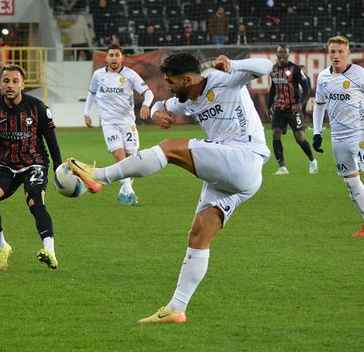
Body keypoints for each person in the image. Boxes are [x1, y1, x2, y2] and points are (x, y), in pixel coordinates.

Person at [69, 52, 273, 323]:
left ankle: (99, 176)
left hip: (246, 156)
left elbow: (266, 66)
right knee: (198, 236)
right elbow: (160, 106)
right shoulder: (184, 98)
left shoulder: (225, 79)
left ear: (188, 79)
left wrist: (234, 64)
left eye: (171, 82)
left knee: (169, 148)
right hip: (233, 175)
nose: (168, 87)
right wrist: (156, 115)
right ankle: (177, 308)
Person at [0, 64, 64, 271]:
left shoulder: (37, 107)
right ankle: (2, 247)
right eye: (6, 81)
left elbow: (51, 140)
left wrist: (58, 169)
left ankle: (50, 251)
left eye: (15, 81)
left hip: (34, 162)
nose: (10, 85)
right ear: (0, 84)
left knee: (35, 201)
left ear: (23, 84)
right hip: (7, 165)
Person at [312, 35, 364, 240]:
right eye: (332, 52)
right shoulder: (323, 77)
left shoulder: (360, 75)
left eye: (340, 52)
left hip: (361, 134)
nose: (336, 55)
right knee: (351, 183)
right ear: (328, 53)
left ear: (348, 53)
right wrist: (316, 132)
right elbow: (319, 106)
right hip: (338, 138)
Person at [83, 44, 154, 206]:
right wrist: (86, 113)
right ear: (106, 58)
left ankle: (124, 189)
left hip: (128, 123)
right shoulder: (98, 75)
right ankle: (129, 191)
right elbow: (92, 93)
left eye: (117, 55)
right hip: (109, 122)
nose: (114, 58)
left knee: (131, 161)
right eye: (111, 55)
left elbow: (148, 92)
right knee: (119, 155)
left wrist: (145, 105)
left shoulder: (130, 75)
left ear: (122, 57)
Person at [267, 44, 317, 175]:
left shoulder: (295, 69)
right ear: (277, 54)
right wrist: (269, 106)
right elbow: (273, 88)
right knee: (275, 134)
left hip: (293, 109)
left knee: (299, 137)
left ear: (288, 55)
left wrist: (301, 103)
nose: (282, 55)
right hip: (279, 108)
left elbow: (306, 88)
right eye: (280, 53)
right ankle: (282, 167)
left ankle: (312, 161)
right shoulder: (273, 69)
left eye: (284, 53)